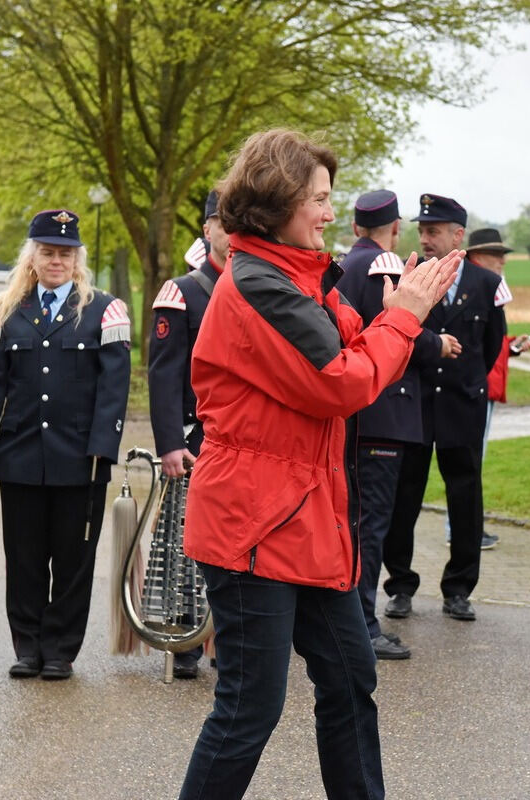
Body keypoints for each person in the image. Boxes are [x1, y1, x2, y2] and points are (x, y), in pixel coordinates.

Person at [177, 129, 459, 800]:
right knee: (249, 707)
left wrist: (394, 316)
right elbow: (341, 382)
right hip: (254, 526)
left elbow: (359, 344)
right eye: (319, 199)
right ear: (278, 203)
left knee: (349, 680)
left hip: (305, 519)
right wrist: (408, 316)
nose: (331, 214)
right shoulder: (258, 287)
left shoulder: (299, 277)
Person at [0, 209, 131, 681]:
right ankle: (28, 646)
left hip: (80, 459)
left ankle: (60, 650)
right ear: (32, 256)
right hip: (19, 456)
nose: (56, 260)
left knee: (74, 560)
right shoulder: (6, 311)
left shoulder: (104, 310)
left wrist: (103, 449)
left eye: (65, 253)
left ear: (77, 259)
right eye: (47, 252)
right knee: (24, 559)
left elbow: (113, 389)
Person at [334, 189, 461, 661]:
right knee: (370, 526)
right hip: (385, 412)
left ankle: (349, 619)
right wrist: (439, 345)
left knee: (353, 520)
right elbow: (395, 322)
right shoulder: (385, 265)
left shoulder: (344, 263)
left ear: (354, 228)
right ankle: (362, 625)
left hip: (355, 413)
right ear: (394, 228)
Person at [383, 194, 505, 623]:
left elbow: (491, 347)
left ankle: (459, 589)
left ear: (458, 235)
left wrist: (467, 382)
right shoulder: (406, 278)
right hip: (415, 407)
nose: (425, 238)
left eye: (433, 231)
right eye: (421, 231)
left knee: (465, 501)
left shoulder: (487, 285)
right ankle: (399, 585)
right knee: (404, 499)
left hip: (461, 408)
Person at [147, 190, 227, 678]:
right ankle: (185, 642)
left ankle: (229, 641)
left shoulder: (259, 286)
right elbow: (163, 373)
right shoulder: (183, 291)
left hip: (244, 439)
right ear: (207, 229)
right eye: (222, 222)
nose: (230, 232)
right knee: (185, 540)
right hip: (196, 439)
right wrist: (170, 444)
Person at [444, 227, 530, 549]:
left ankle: (465, 529)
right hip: (472, 390)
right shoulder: (474, 286)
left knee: (472, 462)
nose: (501, 261)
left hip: (483, 386)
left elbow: (490, 343)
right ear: (478, 256)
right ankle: (460, 531)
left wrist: (511, 348)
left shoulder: (489, 287)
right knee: (467, 464)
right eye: (496, 255)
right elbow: (475, 348)